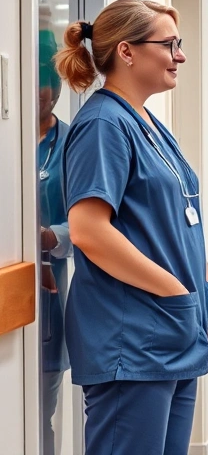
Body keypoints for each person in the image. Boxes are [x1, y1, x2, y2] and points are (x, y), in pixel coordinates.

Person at [56, 0, 208, 455]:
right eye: (169, 44)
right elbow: (88, 230)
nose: (180, 55)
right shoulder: (104, 124)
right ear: (127, 52)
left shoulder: (147, 121)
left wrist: (198, 302)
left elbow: (173, 218)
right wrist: (175, 293)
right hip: (133, 339)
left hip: (175, 328)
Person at [38, 26, 71, 455]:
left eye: (48, 83)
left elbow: (88, 223)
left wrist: (49, 237)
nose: (41, 92)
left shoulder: (70, 144)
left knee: (40, 410)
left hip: (50, 291)